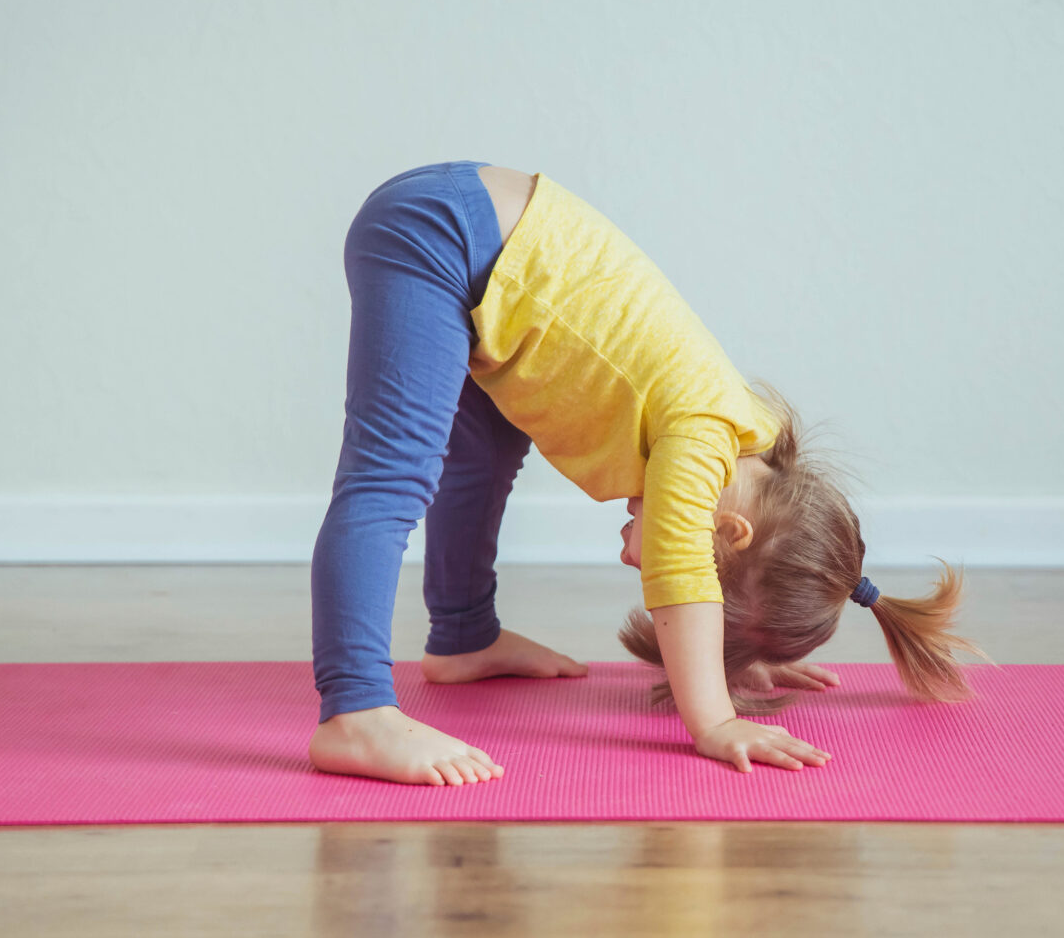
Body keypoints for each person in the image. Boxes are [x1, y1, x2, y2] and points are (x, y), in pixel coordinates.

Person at [307, 160, 988, 786]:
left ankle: (462, 636)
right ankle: (355, 711)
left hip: (483, 248)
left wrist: (751, 648)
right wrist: (715, 720)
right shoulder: (702, 445)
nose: (644, 559)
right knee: (391, 477)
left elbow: (720, 570)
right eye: (687, 551)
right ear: (726, 529)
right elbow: (683, 580)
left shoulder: (751, 443)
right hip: (443, 233)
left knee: (480, 465)